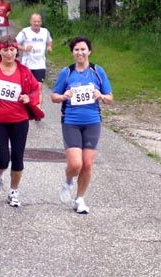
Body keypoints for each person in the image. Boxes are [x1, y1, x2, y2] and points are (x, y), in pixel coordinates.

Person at [0, 34, 41, 207]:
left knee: (18, 158)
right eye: (5, 50)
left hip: (19, 120)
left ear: (16, 51)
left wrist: (29, 98)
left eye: (12, 50)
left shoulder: (24, 71)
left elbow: (35, 90)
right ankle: (0, 174)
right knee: (3, 158)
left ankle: (13, 192)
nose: (9, 54)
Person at [50, 36, 113, 214]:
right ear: (72, 53)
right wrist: (64, 96)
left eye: (83, 49)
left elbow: (110, 98)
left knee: (87, 164)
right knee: (76, 164)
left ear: (89, 51)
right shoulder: (67, 73)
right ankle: (69, 180)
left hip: (93, 122)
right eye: (76, 50)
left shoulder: (98, 71)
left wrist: (100, 95)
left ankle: (79, 199)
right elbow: (54, 96)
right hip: (71, 122)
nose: (80, 53)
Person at [15, 13, 52, 107]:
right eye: (34, 21)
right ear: (30, 21)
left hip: (40, 64)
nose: (36, 23)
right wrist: (24, 48)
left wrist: (49, 47)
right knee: (26, 88)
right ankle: (25, 107)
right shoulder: (24, 32)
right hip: (27, 64)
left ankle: (38, 110)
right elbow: (14, 43)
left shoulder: (45, 31)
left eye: (39, 21)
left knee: (39, 88)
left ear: (41, 22)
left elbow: (49, 41)